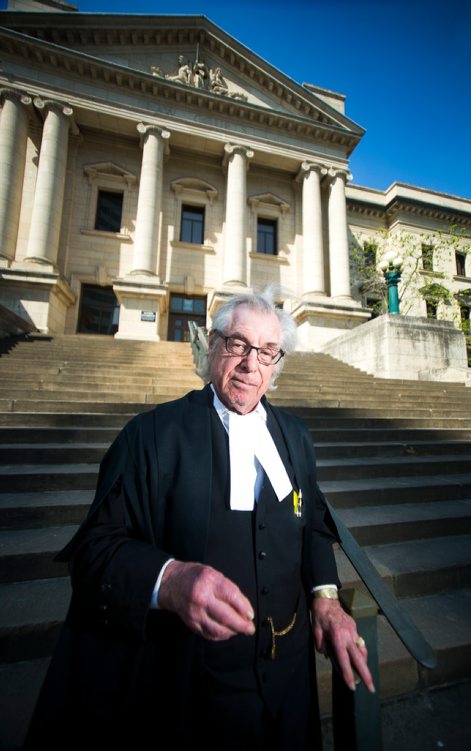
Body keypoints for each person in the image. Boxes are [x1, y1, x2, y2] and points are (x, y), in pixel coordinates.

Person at [25, 290, 374, 750]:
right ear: (213, 345)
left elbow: (310, 524)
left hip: (289, 680)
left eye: (267, 352)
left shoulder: (295, 436)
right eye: (238, 344)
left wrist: (326, 598)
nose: (252, 364)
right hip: (189, 689)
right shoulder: (150, 436)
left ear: (277, 366)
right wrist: (169, 579)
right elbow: (94, 551)